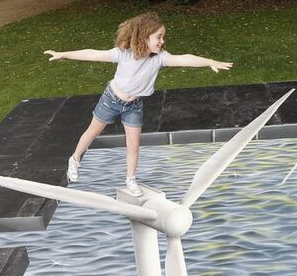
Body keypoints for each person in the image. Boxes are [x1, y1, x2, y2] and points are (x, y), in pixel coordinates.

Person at [44, 12, 232, 197]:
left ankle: (130, 179)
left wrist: (209, 62)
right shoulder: (123, 54)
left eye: (163, 37)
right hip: (111, 100)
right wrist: (64, 54)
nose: (162, 41)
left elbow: (183, 58)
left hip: (134, 105)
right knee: (92, 132)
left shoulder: (160, 58)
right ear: (144, 36)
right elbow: (93, 54)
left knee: (133, 145)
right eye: (158, 37)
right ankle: (75, 158)